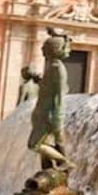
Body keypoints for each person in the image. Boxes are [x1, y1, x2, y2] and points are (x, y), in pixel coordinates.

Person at [28, 29, 73, 171]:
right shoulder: (52, 67)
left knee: (34, 145)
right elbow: (49, 89)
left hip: (48, 114)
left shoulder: (58, 69)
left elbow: (60, 95)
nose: (42, 49)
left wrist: (57, 118)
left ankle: (64, 161)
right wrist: (39, 81)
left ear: (53, 49)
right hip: (42, 112)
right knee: (44, 145)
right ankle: (48, 171)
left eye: (45, 47)